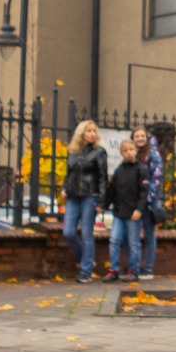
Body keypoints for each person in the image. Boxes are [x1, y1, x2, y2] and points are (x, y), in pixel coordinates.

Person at [61, 121, 109, 283]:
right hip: (73, 196)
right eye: (89, 131)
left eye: (94, 131)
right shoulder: (73, 152)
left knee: (87, 233)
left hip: (90, 196)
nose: (92, 134)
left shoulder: (99, 153)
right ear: (81, 133)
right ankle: (87, 259)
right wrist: (64, 187)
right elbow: (68, 174)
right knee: (68, 232)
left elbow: (103, 178)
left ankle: (86, 271)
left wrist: (102, 202)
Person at [106, 138, 147, 283]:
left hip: (133, 214)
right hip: (118, 212)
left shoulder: (141, 169)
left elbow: (144, 192)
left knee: (133, 243)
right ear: (121, 153)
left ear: (135, 151)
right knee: (114, 240)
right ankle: (114, 270)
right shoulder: (119, 170)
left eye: (131, 150)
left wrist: (139, 210)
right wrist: (102, 205)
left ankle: (133, 270)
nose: (128, 153)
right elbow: (112, 190)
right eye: (125, 150)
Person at [129, 125, 166, 280]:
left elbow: (156, 179)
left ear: (147, 138)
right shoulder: (132, 154)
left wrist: (146, 199)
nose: (139, 139)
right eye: (136, 136)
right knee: (133, 236)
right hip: (135, 202)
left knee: (149, 235)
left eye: (142, 136)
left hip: (149, 202)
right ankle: (134, 268)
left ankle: (148, 269)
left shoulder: (153, 155)